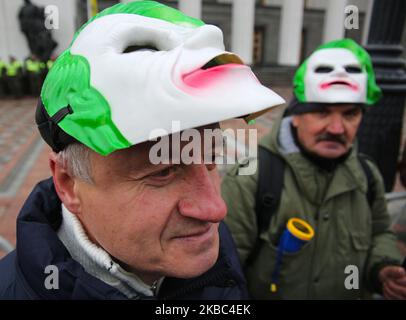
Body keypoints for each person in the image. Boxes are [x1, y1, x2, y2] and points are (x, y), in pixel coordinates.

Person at [0, 1, 284, 299]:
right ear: (68, 184)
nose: (215, 209)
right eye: (162, 172)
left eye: (212, 158)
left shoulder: (211, 248)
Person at [222, 39, 406, 300]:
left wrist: (383, 267)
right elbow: (224, 272)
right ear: (295, 115)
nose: (337, 128)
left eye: (350, 114)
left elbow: (379, 233)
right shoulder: (250, 177)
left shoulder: (367, 175)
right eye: (321, 112)